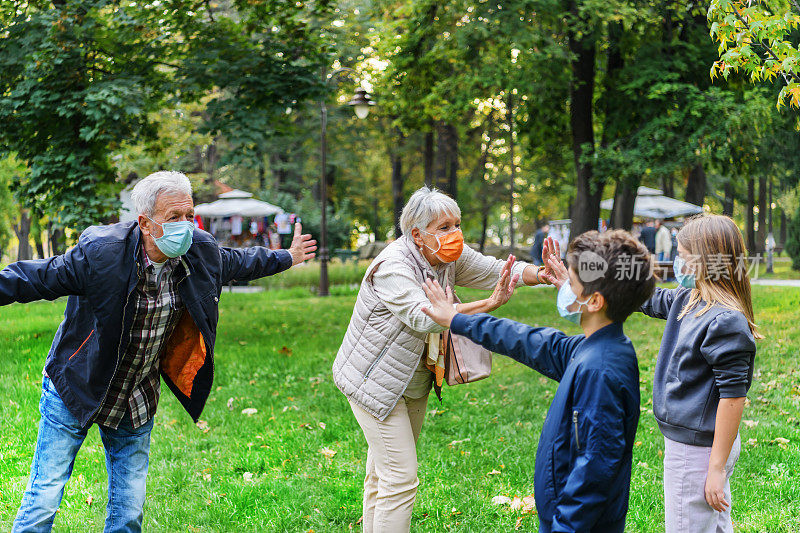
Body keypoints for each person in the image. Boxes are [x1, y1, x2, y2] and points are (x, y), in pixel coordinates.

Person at [1, 171, 317, 533]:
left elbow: (241, 262)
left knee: (129, 512)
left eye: (189, 214)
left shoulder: (200, 251)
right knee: (44, 499)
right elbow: (35, 277)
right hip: (77, 385)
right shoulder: (101, 254)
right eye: (174, 217)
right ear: (145, 224)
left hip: (134, 397)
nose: (186, 225)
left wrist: (287, 257)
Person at [332, 186, 553, 533]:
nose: (455, 234)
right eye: (444, 227)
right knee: (401, 479)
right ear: (417, 235)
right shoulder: (393, 266)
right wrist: (487, 305)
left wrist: (540, 274)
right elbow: (426, 316)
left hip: (414, 379)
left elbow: (495, 269)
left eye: (456, 224)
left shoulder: (447, 257)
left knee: (383, 475)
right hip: (372, 381)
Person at [421, 229, 655, 532]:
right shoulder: (593, 347)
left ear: (595, 301)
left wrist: (564, 527)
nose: (565, 290)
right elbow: (526, 341)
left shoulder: (600, 370)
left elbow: (595, 468)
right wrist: (457, 319)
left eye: (571, 284)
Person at [638, 214, 760, 533]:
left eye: (683, 257)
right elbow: (651, 299)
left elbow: (734, 398)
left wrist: (716, 468)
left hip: (700, 452)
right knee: (712, 525)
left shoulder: (724, 322)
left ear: (706, 262)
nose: (678, 263)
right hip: (698, 446)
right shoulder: (691, 298)